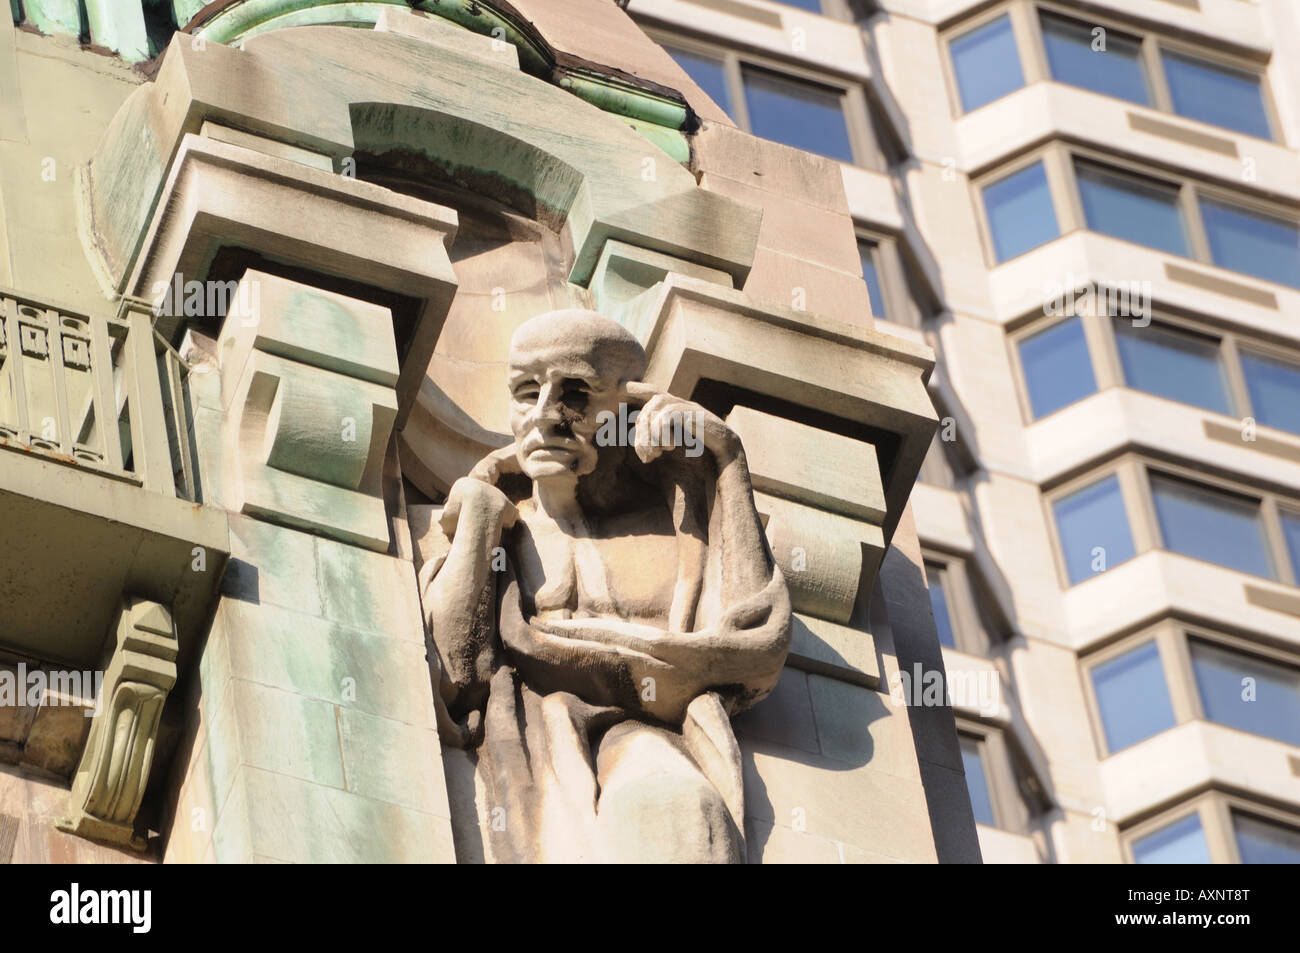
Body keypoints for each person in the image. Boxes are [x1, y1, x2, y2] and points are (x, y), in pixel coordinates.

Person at [419, 309, 790, 862]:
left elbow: (757, 642)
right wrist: (475, 522)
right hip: (532, 732)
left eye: (575, 393)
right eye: (526, 392)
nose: (545, 417)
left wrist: (727, 460)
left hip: (642, 733)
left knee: (680, 811)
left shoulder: (683, 520)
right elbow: (456, 674)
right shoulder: (502, 517)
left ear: (628, 402)